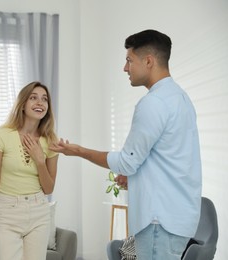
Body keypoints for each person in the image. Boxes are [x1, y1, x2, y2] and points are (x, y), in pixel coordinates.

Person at [50, 29, 202, 260]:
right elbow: (171, 160)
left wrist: (78, 151)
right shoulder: (180, 98)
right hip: (173, 219)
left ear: (149, 61)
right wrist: (135, 178)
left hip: (159, 223)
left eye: (129, 60)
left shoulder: (154, 103)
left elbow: (126, 162)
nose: (125, 68)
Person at [0, 81, 59, 260]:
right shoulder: (2, 136)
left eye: (44, 99)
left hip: (39, 210)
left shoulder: (51, 141)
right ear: (23, 104)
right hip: (8, 212)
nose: (40, 103)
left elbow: (49, 189)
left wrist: (40, 160)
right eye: (33, 98)